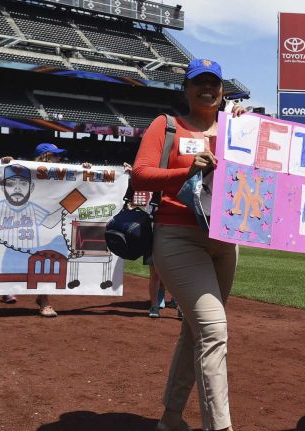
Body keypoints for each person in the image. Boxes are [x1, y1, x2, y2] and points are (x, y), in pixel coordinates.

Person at [132, 58, 242, 431]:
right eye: (199, 82)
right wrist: (187, 169)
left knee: (195, 330)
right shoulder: (167, 126)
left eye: (214, 83)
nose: (207, 88)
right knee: (213, 330)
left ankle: (171, 417)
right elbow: (140, 174)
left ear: (223, 91)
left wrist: (247, 128)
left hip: (225, 239)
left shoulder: (234, 128)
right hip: (177, 235)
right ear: (186, 89)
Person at [0, 142, 92, 317]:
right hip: (22, 221)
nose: (59, 158)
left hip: (45, 222)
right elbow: (4, 181)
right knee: (15, 255)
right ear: (44, 157)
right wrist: (5, 164)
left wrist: (85, 171)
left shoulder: (60, 175)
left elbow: (75, 187)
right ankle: (8, 287)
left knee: (45, 258)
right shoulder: (26, 172)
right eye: (55, 155)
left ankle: (44, 300)